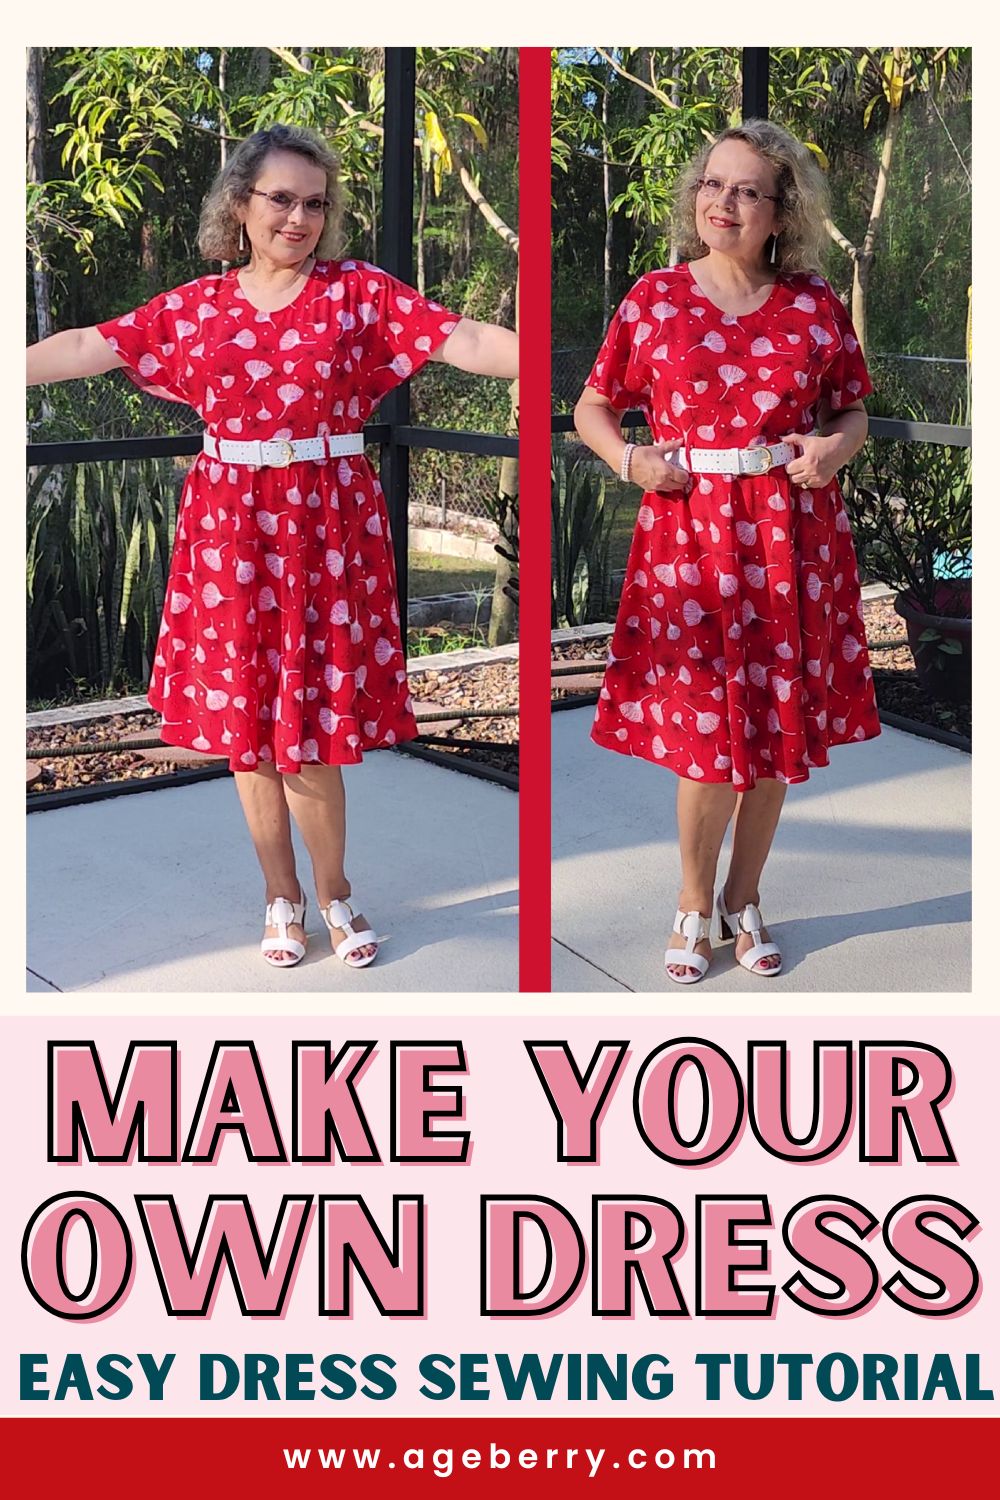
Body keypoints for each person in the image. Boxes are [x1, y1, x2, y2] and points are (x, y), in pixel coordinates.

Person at [28, 123, 518, 971]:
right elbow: (85, 347)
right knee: (249, 732)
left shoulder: (358, 293)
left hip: (327, 531)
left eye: (315, 204)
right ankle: (279, 895)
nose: (299, 218)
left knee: (315, 741)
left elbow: (466, 339)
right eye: (282, 199)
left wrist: (586, 366)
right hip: (231, 535)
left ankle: (334, 890)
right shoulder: (197, 308)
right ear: (241, 206)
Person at [574, 118, 879, 985]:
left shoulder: (815, 304)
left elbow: (851, 409)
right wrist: (631, 458)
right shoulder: (656, 297)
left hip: (789, 540)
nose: (724, 202)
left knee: (774, 732)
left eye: (747, 190)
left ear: (782, 213)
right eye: (713, 184)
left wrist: (833, 449)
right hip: (689, 539)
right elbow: (594, 407)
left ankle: (745, 898)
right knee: (709, 733)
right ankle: (691, 899)